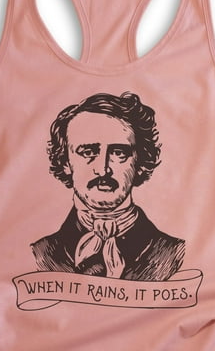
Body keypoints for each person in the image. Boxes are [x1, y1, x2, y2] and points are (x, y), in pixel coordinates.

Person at [30, 91, 185, 281]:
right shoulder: (39, 254)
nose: (103, 170)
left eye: (119, 153)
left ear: (140, 162)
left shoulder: (174, 253)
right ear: (65, 162)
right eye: (88, 152)